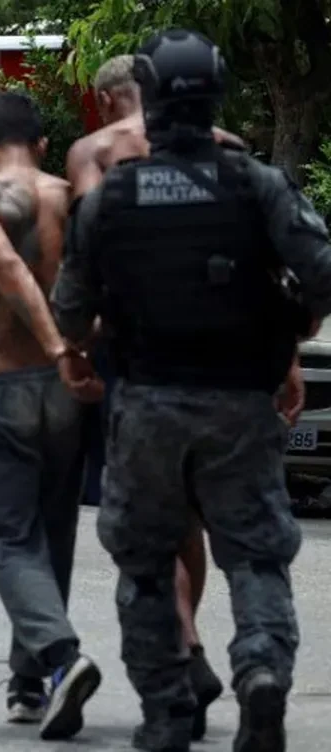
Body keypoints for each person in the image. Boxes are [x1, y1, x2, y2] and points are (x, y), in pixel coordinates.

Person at [53, 30, 331, 752]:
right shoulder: (255, 183)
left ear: (147, 101)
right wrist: (291, 325)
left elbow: (70, 307)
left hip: (147, 403)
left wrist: (81, 352)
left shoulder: (109, 197)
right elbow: (322, 271)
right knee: (255, 556)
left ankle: (168, 709)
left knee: (146, 563)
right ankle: (262, 671)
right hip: (241, 402)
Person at [65, 52, 242, 742]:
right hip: (221, 354)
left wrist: (71, 346)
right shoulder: (225, 148)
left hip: (132, 352)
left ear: (111, 99)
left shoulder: (96, 152)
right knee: (190, 514)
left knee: (147, 515)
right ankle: (190, 642)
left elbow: (83, 258)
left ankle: (185, 645)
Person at [0, 92, 102, 739]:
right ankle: (30, 680)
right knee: (52, 532)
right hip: (67, 389)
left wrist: (53, 342)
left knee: (6, 535)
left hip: (2, 379)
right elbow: (103, 284)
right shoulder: (71, 196)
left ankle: (62, 658)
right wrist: (79, 351)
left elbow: (8, 266)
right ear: (41, 144)